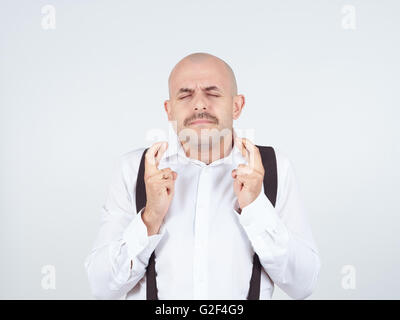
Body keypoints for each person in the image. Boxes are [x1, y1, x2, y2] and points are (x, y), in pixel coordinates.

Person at [84, 52, 321, 300]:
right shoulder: (134, 169)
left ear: (237, 106)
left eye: (213, 93)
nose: (199, 104)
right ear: (169, 110)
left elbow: (303, 284)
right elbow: (102, 287)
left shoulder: (273, 168)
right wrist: (150, 217)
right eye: (185, 94)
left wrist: (256, 208)